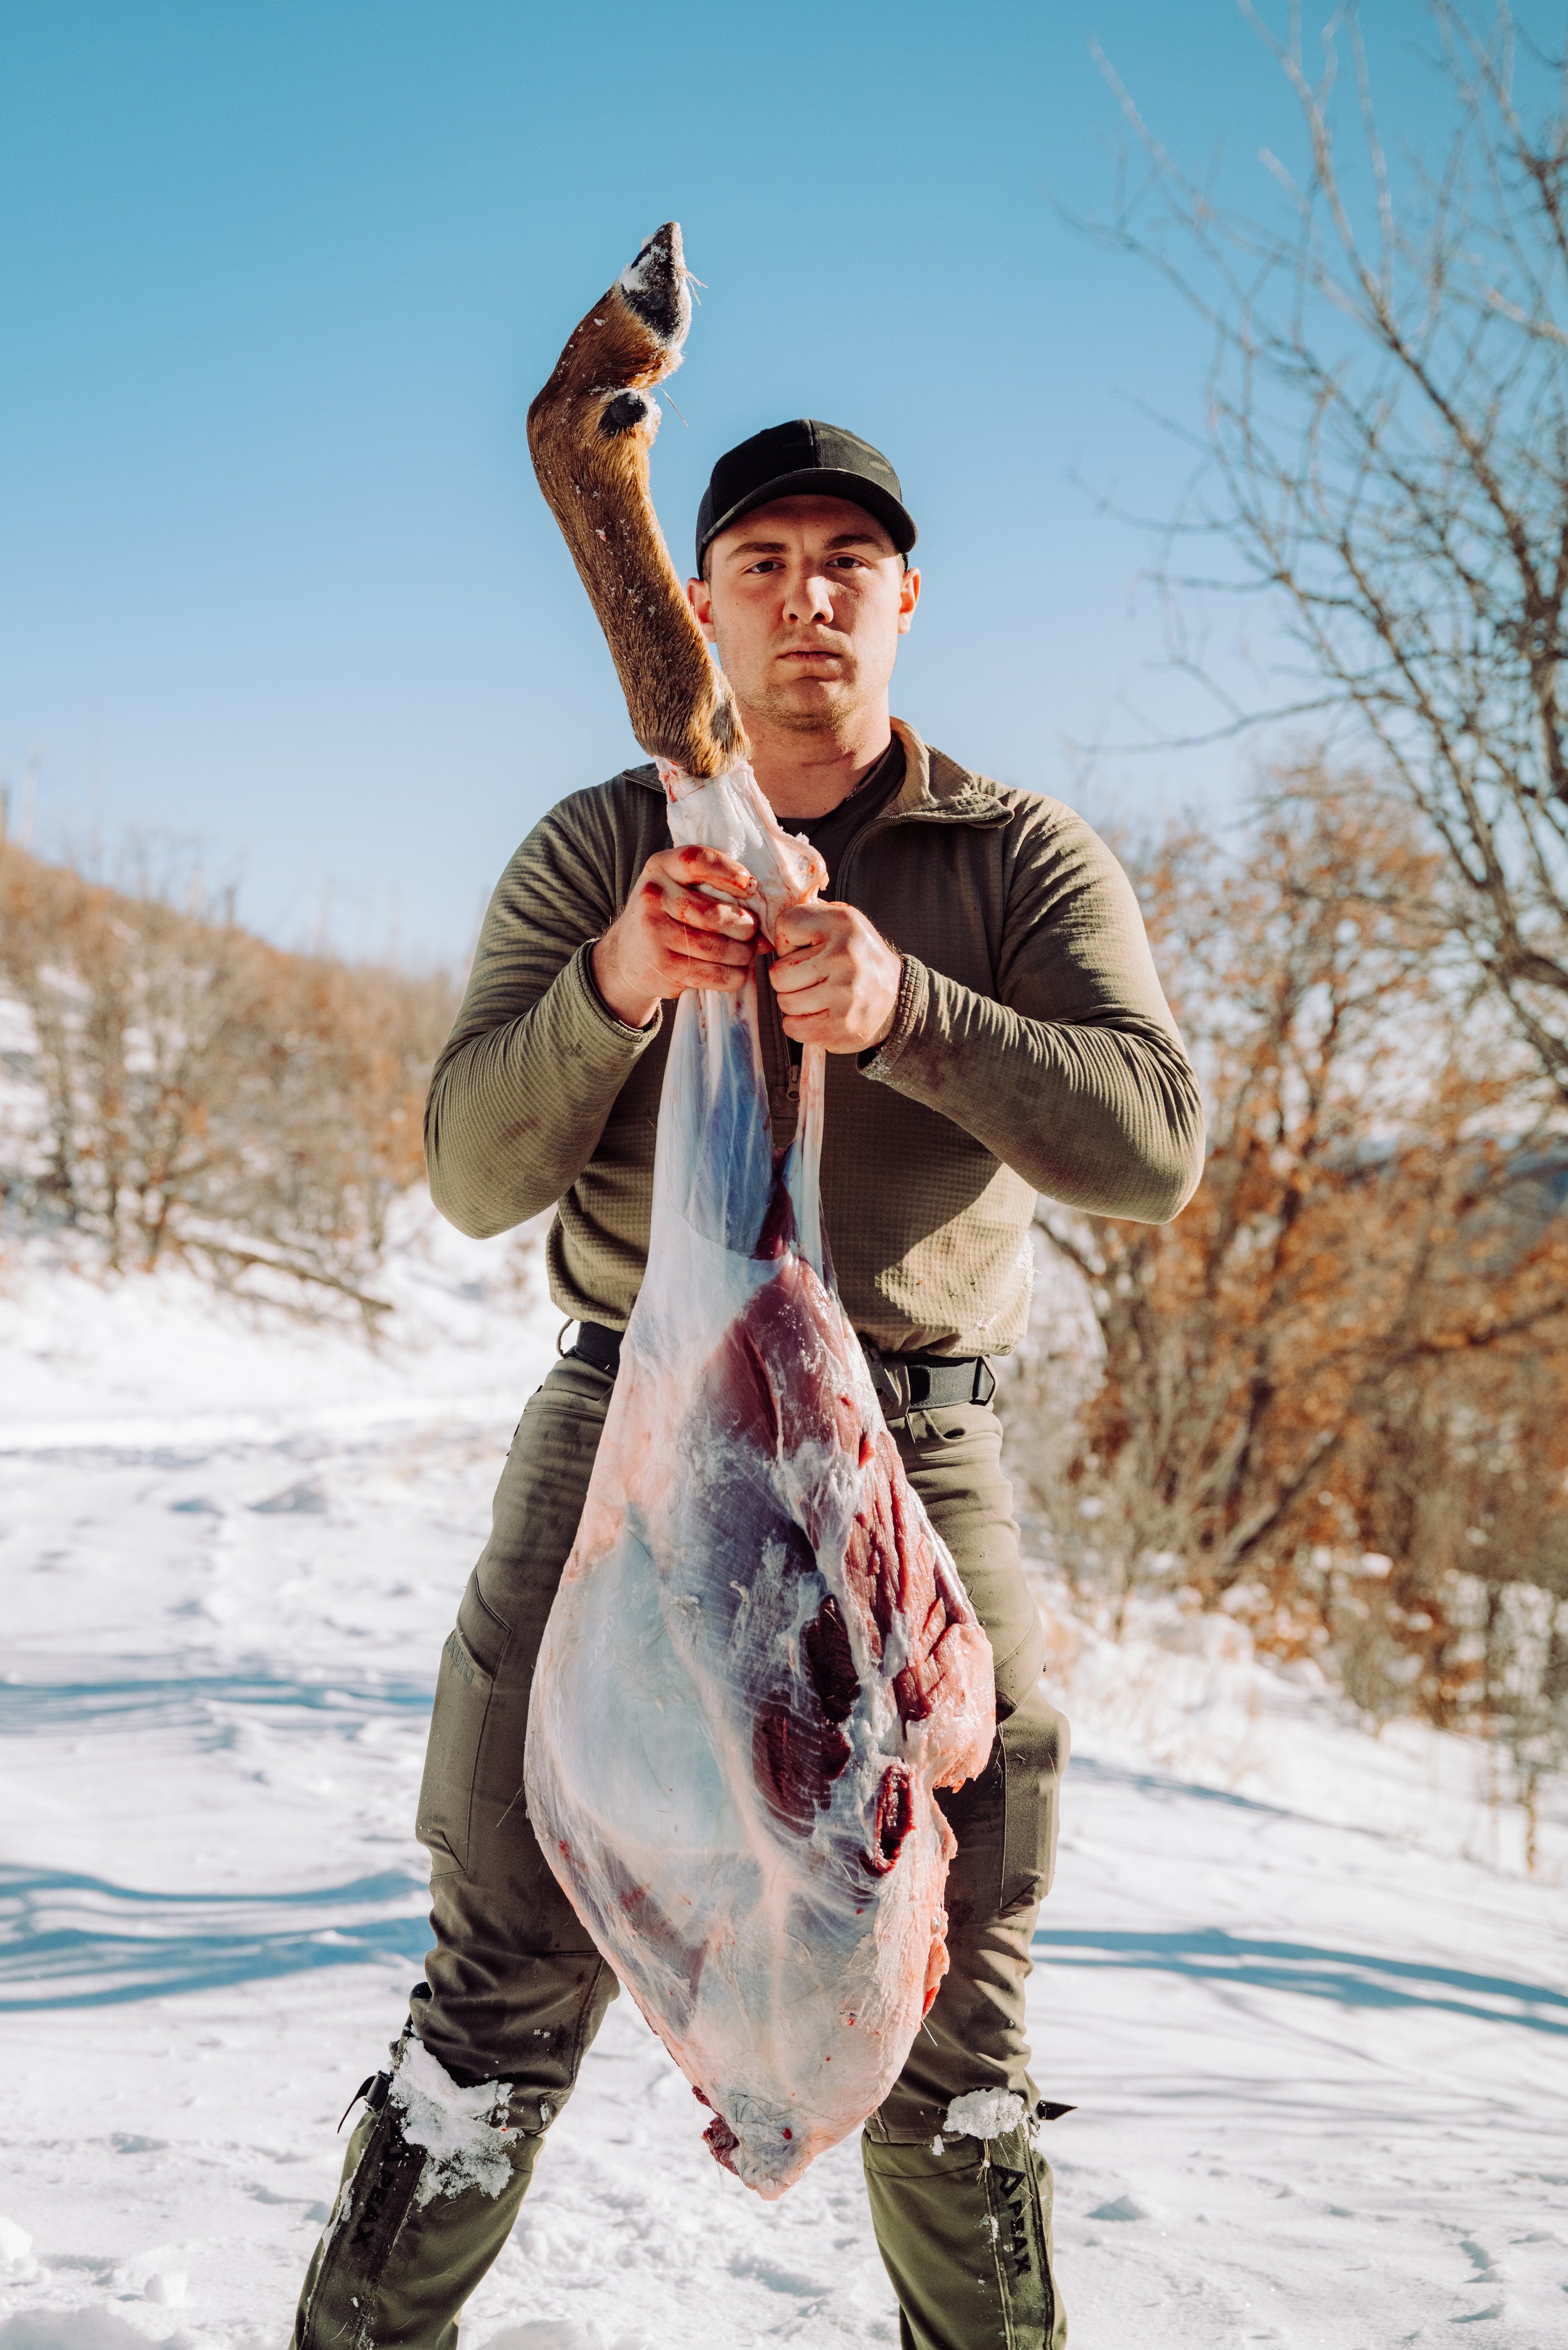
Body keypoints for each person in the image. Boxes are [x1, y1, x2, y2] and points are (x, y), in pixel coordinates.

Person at [293, 419, 1204, 2349]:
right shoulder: (595, 847)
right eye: (764, 558)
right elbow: (468, 1168)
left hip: (912, 1460)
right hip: (627, 1439)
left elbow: (1148, 1143)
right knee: (504, 1968)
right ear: (696, 597)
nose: (807, 596)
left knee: (950, 1988)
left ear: (906, 599)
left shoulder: (1011, 855)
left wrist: (907, 1011)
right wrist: (619, 976)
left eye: (848, 562)